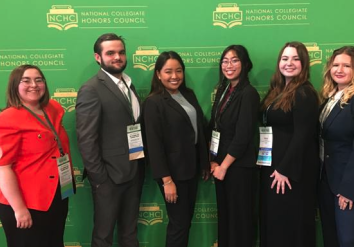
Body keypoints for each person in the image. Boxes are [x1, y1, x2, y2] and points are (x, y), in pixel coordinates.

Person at [76, 33, 144, 247]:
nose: (117, 57)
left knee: (130, 233)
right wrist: (100, 179)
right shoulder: (91, 89)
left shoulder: (129, 84)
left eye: (121, 52)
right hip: (108, 177)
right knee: (103, 236)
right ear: (98, 57)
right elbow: (86, 138)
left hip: (134, 171)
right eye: (111, 53)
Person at [0, 64, 75, 247]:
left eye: (38, 80)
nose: (34, 85)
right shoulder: (8, 118)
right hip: (27, 201)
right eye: (26, 81)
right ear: (15, 86)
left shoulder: (53, 108)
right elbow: (3, 168)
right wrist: (19, 209)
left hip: (56, 194)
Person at [142, 51, 209, 247]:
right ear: (158, 74)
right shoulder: (153, 102)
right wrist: (166, 180)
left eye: (179, 71)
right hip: (172, 174)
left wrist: (204, 163)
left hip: (191, 169)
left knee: (185, 222)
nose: (174, 76)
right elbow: (154, 144)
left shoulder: (188, 94)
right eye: (168, 71)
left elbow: (200, 130)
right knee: (179, 223)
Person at [259, 41, 319, 247]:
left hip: (291, 172)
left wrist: (284, 169)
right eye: (285, 59)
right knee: (275, 222)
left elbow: (303, 135)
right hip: (272, 166)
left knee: (290, 224)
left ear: (304, 63)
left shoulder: (304, 93)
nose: (289, 63)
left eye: (295, 59)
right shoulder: (276, 90)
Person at [318, 46, 354, 247]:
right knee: (332, 240)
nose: (339, 69)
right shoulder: (330, 98)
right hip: (328, 183)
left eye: (346, 66)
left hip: (350, 188)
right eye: (335, 65)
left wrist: (350, 189)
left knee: (350, 242)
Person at [208, 45, 260, 247]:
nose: (229, 65)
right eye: (225, 61)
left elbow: (243, 135)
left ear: (245, 64)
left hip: (238, 167)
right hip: (221, 167)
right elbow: (216, 129)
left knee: (239, 222)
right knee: (226, 219)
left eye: (235, 60)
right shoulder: (224, 90)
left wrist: (224, 166)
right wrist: (213, 161)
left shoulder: (249, 93)